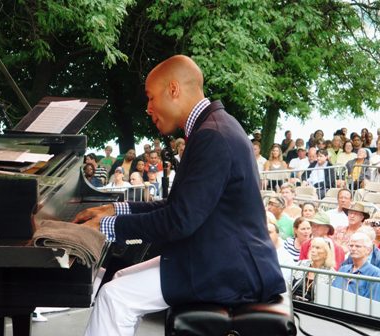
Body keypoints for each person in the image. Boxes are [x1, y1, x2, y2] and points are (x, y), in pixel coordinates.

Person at [74, 55, 285, 336]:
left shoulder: (212, 136)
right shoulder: (213, 127)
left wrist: (105, 227)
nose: (148, 108)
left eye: (150, 98)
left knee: (114, 298)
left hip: (230, 269)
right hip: (216, 256)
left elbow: (178, 220)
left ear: (173, 90)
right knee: (119, 279)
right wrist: (116, 210)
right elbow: (179, 206)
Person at [332, 232, 380, 301]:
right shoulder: (343, 269)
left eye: (358, 246)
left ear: (368, 250)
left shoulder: (375, 273)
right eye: (351, 246)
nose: (353, 249)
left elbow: (372, 304)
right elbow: (333, 292)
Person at [292, 237, 335, 302]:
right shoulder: (301, 264)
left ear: (326, 253)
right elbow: (289, 282)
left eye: (317, 248)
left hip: (313, 308)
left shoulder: (331, 274)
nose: (313, 250)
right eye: (312, 247)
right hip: (293, 302)